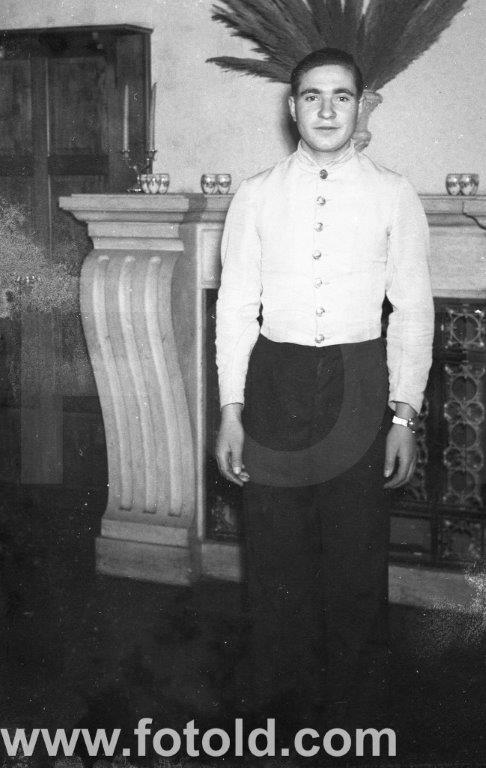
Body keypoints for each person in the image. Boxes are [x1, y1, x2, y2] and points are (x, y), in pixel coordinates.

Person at [215, 47, 434, 732]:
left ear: (360, 105)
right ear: (293, 107)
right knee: (274, 552)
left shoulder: (394, 192)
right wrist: (230, 411)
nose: (327, 109)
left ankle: (355, 717)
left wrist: (404, 415)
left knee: (355, 555)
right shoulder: (255, 194)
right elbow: (234, 308)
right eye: (313, 96)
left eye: (341, 96)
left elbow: (414, 310)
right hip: (274, 382)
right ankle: (277, 711)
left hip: (359, 381)